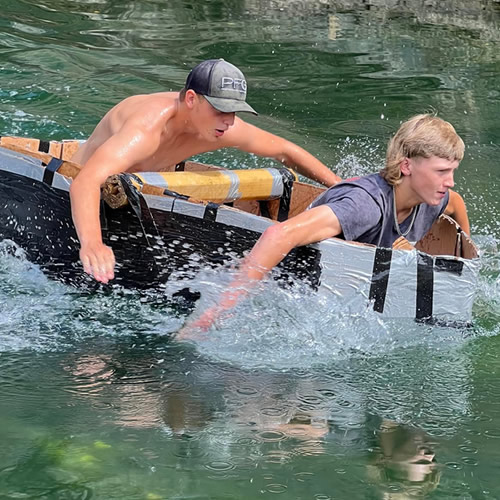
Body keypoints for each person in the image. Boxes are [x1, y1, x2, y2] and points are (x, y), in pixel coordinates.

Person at [181, 114, 470, 333]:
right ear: (406, 166)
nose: (450, 181)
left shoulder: (436, 197)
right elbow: (278, 234)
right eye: (442, 171)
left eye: (453, 171)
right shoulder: (364, 206)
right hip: (288, 288)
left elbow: (456, 204)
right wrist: (217, 311)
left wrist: (467, 260)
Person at [69, 59, 341, 283]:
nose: (229, 121)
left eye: (234, 111)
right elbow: (84, 182)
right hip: (79, 188)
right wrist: (93, 244)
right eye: (221, 109)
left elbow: (285, 151)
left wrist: (340, 185)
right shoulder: (145, 130)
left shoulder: (221, 127)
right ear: (191, 99)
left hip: (135, 186)